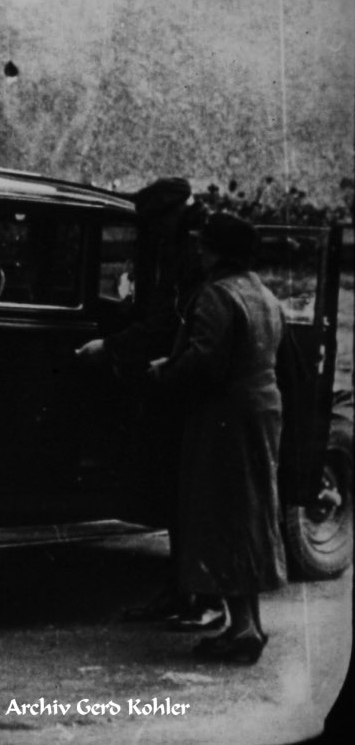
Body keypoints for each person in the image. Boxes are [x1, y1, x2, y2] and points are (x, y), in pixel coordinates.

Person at [75, 177, 221, 629]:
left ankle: (203, 596)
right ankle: (183, 589)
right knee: (177, 495)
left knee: (196, 497)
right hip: (176, 382)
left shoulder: (195, 254)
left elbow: (171, 320)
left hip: (197, 390)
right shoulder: (179, 244)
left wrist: (115, 347)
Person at [148, 211, 284, 664]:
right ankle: (249, 624)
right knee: (250, 512)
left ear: (220, 251)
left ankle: (242, 631)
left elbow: (205, 363)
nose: (200, 251)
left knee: (222, 516)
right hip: (262, 410)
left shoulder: (217, 295)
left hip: (225, 416)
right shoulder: (263, 294)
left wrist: (165, 371)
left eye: (206, 245)